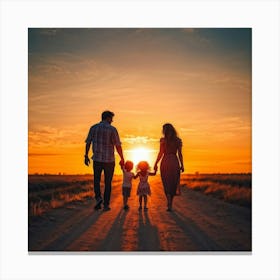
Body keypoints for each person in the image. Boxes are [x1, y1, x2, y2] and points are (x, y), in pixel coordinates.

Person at [84, 110, 125, 211]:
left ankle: (98, 198)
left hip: (97, 159)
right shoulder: (112, 129)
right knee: (108, 182)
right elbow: (118, 145)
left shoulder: (93, 128)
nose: (112, 121)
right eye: (111, 118)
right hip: (109, 160)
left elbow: (88, 142)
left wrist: (86, 155)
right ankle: (106, 204)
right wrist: (122, 158)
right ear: (107, 118)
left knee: (96, 180)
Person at [154, 123, 184, 211]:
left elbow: (160, 153)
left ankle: (169, 201)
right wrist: (182, 165)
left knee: (166, 183)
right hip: (174, 161)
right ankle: (170, 202)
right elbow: (180, 154)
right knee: (173, 183)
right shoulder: (178, 140)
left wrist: (156, 163)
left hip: (166, 161)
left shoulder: (163, 140)